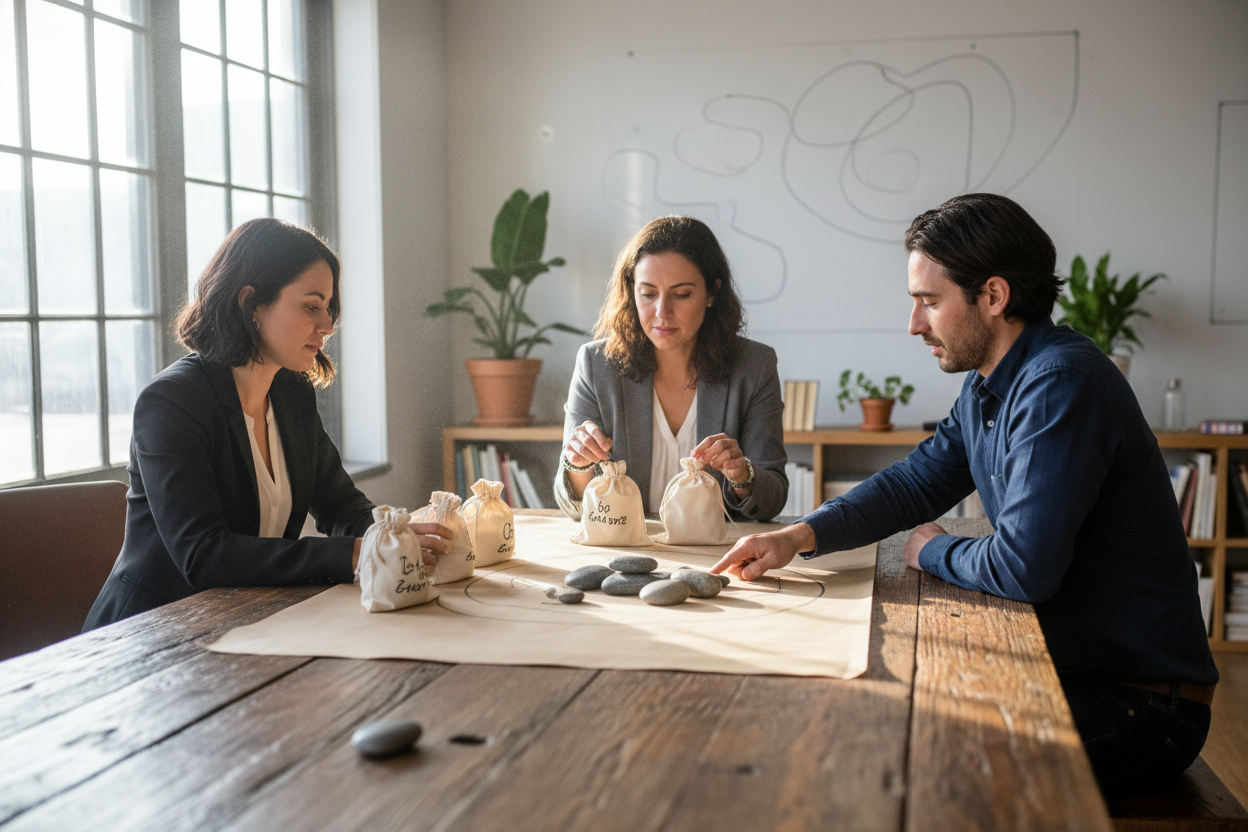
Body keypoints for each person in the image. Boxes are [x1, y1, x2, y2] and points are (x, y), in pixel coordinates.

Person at [712, 193, 1218, 792]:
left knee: (899, 753)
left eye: (929, 301)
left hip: (1141, 707)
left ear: (994, 296)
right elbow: (915, 482)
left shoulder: (1060, 384)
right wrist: (797, 536)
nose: (914, 323)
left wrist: (930, 551)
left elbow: (1024, 567)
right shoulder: (989, 388)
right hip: (1078, 676)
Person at [84, 219, 451, 629]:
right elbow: (203, 555)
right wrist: (353, 553)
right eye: (311, 306)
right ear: (251, 303)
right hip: (149, 631)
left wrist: (396, 533)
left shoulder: (291, 392)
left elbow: (337, 502)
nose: (328, 325)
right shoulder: (171, 403)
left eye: (328, 308)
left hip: (244, 617)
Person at [555, 216, 787, 523]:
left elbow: (772, 500)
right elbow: (571, 505)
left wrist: (742, 474)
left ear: (712, 292)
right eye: (648, 294)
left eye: (681, 294)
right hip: (625, 551)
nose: (662, 312)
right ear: (631, 291)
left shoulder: (754, 367)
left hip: (718, 556)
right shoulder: (596, 365)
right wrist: (579, 465)